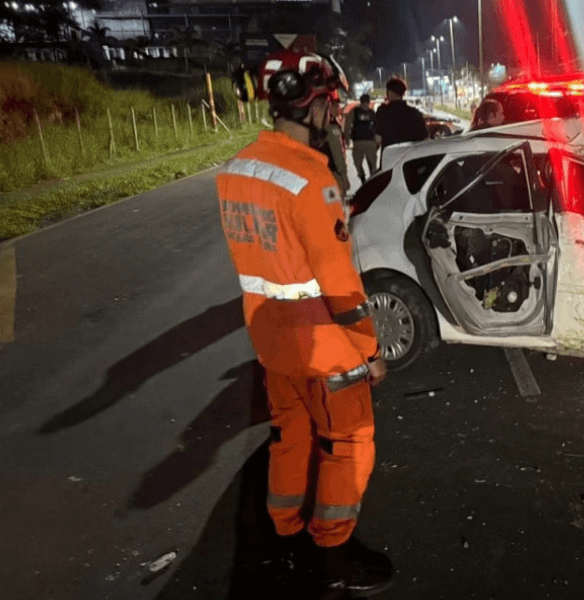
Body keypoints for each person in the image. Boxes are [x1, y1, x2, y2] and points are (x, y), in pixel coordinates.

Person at [216, 51, 393, 595]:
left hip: (270, 342)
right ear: (313, 106)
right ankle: (332, 550)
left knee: (289, 439)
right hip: (325, 347)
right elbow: (340, 286)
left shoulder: (236, 170)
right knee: (349, 441)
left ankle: (285, 533)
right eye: (331, 103)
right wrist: (370, 352)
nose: (335, 113)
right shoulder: (313, 182)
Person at [374, 76, 428, 149]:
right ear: (402, 93)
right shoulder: (415, 113)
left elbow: (377, 139)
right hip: (409, 157)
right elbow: (424, 137)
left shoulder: (382, 112)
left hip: (389, 157)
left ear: (389, 92)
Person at [348, 93, 379, 184]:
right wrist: (346, 136)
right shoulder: (355, 112)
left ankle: (373, 183)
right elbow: (348, 124)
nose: (365, 104)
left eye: (367, 102)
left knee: (372, 165)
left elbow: (377, 126)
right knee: (358, 163)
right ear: (361, 103)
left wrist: (377, 141)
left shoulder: (372, 113)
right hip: (358, 142)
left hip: (370, 142)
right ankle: (362, 178)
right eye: (364, 102)